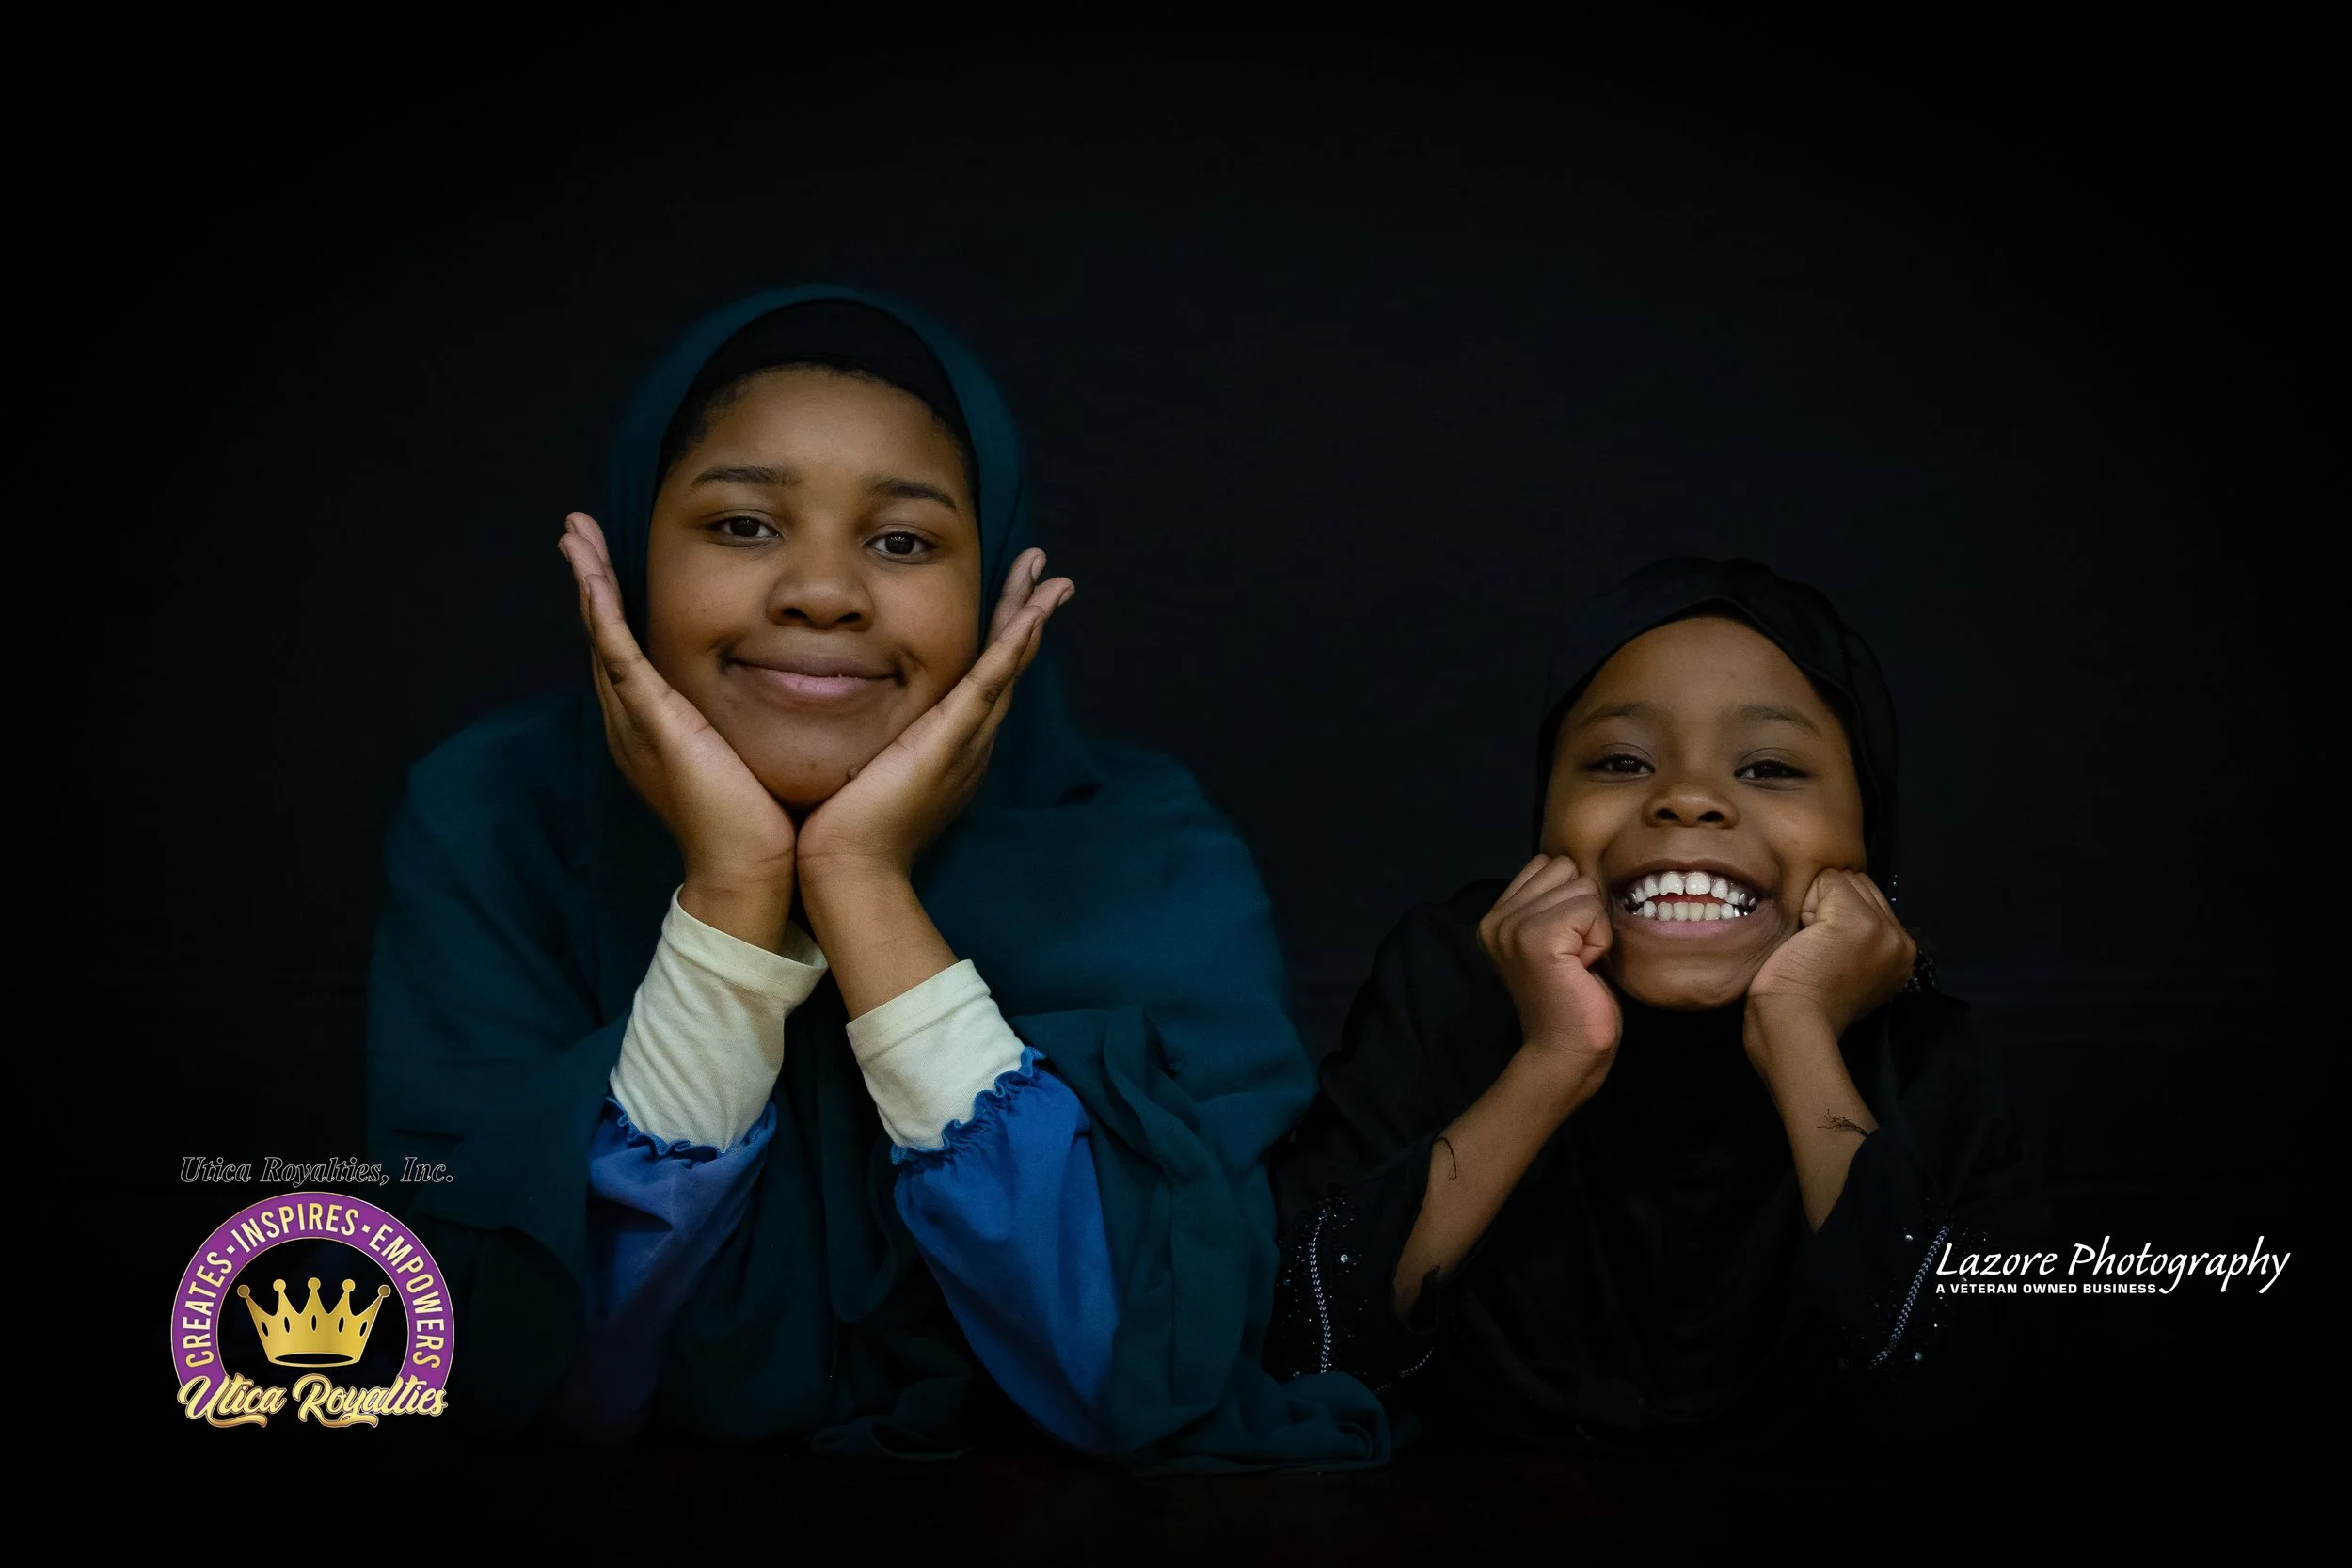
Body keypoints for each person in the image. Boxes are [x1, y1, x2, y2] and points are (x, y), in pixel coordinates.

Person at [367, 287, 1384, 1466]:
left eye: (901, 542)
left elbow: (1151, 1375)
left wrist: (861, 882)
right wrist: (734, 895)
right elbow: (496, 1370)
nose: (822, 591)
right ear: (636, 551)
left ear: (996, 582)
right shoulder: (497, 816)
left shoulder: (1147, 854)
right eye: (742, 525)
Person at [1266, 557, 2042, 1450]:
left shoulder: (1931, 1052)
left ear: (1867, 833)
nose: (1687, 798)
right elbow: (1303, 1347)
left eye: (1771, 767)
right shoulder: (1443, 982)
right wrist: (1554, 1058)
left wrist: (1798, 1032)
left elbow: (1972, 1398)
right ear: (1545, 817)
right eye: (1621, 761)